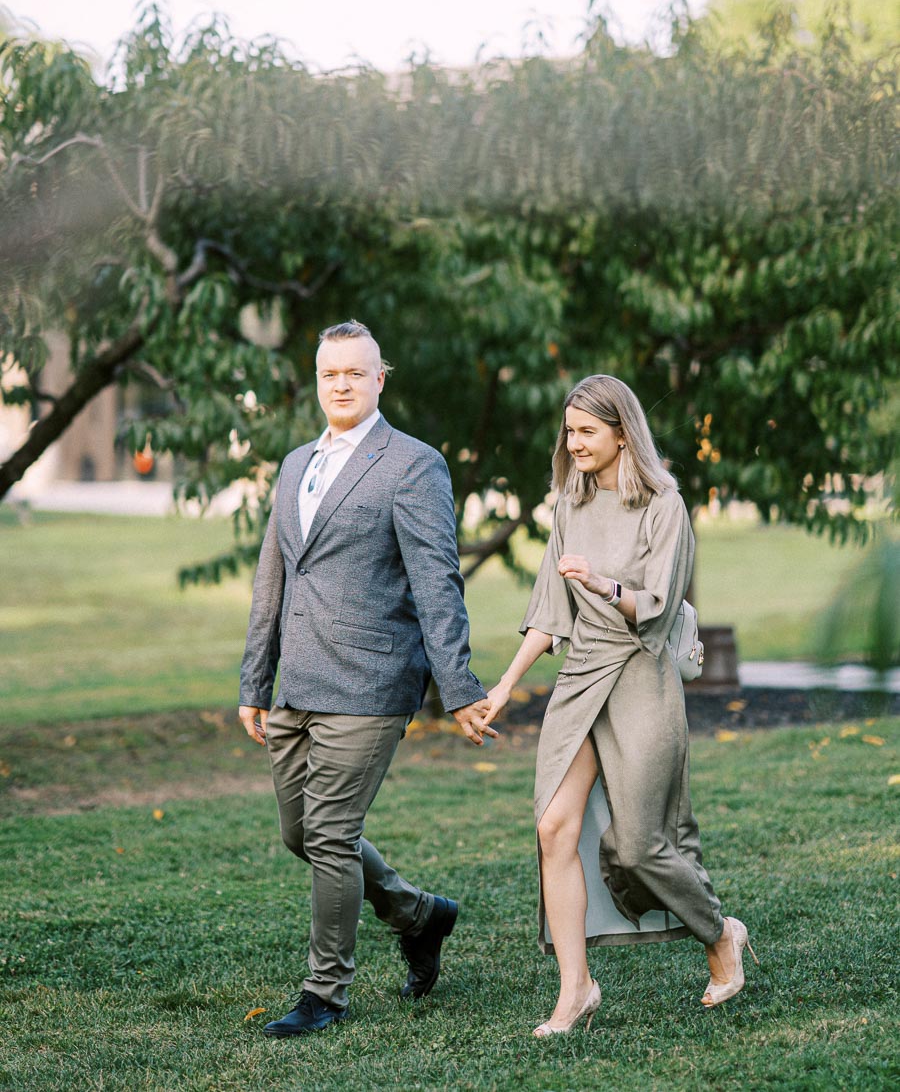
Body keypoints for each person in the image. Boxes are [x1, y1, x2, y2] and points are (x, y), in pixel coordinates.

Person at [238, 320, 495, 1037]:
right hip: (298, 682)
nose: (342, 384)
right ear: (316, 381)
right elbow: (273, 575)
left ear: (380, 379)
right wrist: (254, 679)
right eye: (330, 374)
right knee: (303, 833)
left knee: (329, 832)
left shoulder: (412, 464)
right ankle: (419, 914)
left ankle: (325, 993)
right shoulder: (294, 464)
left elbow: (438, 583)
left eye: (356, 372)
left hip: (372, 681)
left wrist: (461, 688)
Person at [483, 374, 757, 1037]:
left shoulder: (665, 506)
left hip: (639, 678)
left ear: (621, 433)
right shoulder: (569, 507)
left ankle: (720, 932)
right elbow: (548, 615)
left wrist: (606, 585)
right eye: (568, 431)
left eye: (585, 431)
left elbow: (655, 612)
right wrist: (501, 688)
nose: (572, 442)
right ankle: (576, 989)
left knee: (639, 846)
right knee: (553, 827)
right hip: (580, 680)